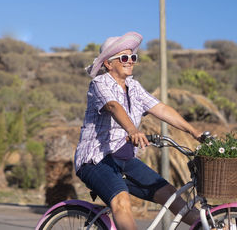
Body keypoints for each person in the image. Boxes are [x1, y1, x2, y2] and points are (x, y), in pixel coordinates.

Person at [74, 32, 203, 230]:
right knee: (121, 201)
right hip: (97, 159)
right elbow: (113, 106)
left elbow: (161, 109)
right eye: (124, 58)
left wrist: (194, 132)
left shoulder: (134, 87)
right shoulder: (99, 84)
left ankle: (213, 227)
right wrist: (132, 130)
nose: (130, 61)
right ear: (108, 64)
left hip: (126, 160)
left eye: (132, 57)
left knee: (169, 195)